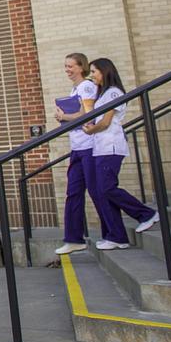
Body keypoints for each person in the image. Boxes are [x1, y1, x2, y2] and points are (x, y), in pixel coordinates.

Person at [84, 58, 160, 249]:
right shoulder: (102, 94)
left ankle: (146, 214)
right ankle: (117, 236)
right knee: (103, 192)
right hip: (101, 147)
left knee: (107, 188)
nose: (91, 75)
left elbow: (106, 122)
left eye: (94, 71)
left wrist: (90, 130)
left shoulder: (113, 93)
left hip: (111, 147)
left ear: (105, 71)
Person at [53, 53, 104, 256]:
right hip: (77, 147)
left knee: (97, 191)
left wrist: (64, 116)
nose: (67, 70)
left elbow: (87, 113)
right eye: (65, 66)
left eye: (71, 66)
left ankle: (117, 229)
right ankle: (73, 239)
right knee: (73, 193)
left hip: (90, 147)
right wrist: (63, 118)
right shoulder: (75, 89)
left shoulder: (87, 87)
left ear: (81, 67)